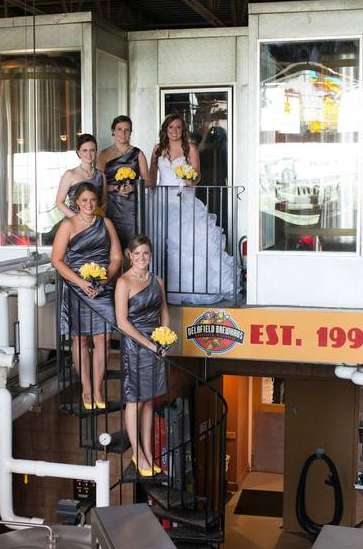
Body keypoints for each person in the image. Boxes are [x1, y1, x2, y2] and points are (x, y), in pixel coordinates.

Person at [148, 113, 238, 304]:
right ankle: (161, 288)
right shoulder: (158, 149)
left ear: (183, 129)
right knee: (162, 245)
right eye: (171, 127)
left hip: (185, 202)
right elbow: (151, 179)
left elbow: (197, 177)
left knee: (189, 244)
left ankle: (190, 288)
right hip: (163, 203)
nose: (174, 131)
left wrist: (189, 179)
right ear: (165, 129)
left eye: (178, 127)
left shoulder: (191, 149)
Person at [52, 182, 122, 410]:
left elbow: (117, 259)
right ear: (77, 203)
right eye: (84, 201)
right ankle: (86, 388)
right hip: (76, 287)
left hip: (102, 288)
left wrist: (102, 282)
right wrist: (81, 283)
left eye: (92, 200)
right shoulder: (68, 225)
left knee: (103, 339)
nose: (89, 204)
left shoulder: (107, 224)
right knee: (80, 339)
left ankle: (99, 387)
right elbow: (57, 260)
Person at [114, 235, 168, 477]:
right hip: (136, 346)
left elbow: (164, 312)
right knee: (135, 400)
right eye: (137, 254)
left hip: (156, 345)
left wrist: (164, 337)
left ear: (150, 255)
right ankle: (137, 453)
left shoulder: (158, 280)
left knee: (149, 401)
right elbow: (122, 322)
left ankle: (147, 452)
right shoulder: (124, 282)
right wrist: (149, 343)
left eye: (145, 253)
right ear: (130, 255)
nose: (141, 258)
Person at [98, 115, 149, 249]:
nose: (123, 133)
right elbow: (98, 182)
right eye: (119, 129)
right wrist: (115, 189)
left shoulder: (138, 153)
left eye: (127, 130)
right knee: (112, 244)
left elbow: (147, 181)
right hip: (111, 205)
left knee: (133, 243)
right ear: (113, 131)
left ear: (131, 132)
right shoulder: (103, 154)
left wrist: (132, 188)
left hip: (132, 206)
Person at [55, 134, 107, 219]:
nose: (89, 154)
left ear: (96, 152)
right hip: (74, 223)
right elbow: (59, 202)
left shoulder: (101, 175)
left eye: (92, 150)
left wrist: (95, 220)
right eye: (85, 150)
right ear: (79, 153)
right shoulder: (70, 174)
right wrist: (78, 219)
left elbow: (104, 203)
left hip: (95, 222)